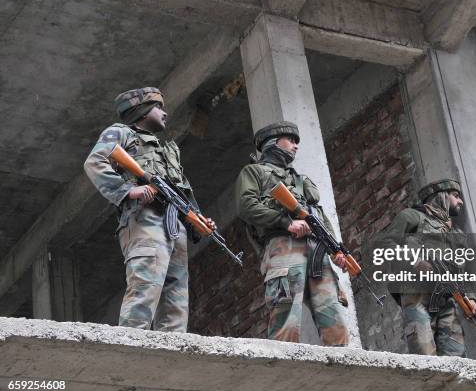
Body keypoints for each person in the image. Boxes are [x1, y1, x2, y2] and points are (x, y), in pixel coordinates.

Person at [84, 87, 214, 332]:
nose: (165, 113)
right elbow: (95, 162)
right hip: (145, 220)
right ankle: (130, 354)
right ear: (142, 111)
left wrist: (199, 221)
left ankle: (170, 359)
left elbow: (183, 192)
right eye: (158, 107)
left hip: (175, 226)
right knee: (145, 289)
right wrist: (126, 191)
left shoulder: (168, 152)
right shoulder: (122, 133)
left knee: (176, 302)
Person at [235, 121, 349, 345]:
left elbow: (319, 214)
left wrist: (336, 249)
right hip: (283, 245)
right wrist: (285, 222)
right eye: (291, 140)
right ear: (272, 143)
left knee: (334, 318)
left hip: (317, 249)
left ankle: (342, 371)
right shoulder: (254, 172)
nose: (296, 146)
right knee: (286, 313)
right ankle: (283, 371)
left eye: (297, 141)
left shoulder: (300, 180)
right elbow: (246, 206)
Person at [379, 179, 476, 356]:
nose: (460, 201)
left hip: (446, 300)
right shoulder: (412, 216)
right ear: (441, 196)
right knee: (424, 353)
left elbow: (461, 273)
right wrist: (417, 262)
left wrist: (470, 299)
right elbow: (387, 244)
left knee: (457, 358)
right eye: (455, 196)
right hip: (417, 293)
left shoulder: (456, 235)